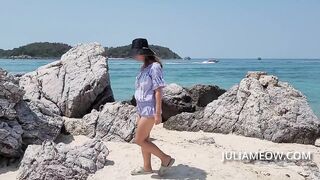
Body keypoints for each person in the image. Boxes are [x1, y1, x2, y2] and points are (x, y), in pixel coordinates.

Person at [130, 38, 175, 176]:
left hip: (150, 109)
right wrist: (138, 110)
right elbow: (141, 91)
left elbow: (158, 90)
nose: (133, 56)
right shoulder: (143, 67)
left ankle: (165, 159)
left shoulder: (155, 67)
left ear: (142, 52)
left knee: (139, 140)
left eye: (135, 53)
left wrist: (158, 112)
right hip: (141, 109)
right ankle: (147, 167)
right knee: (145, 140)